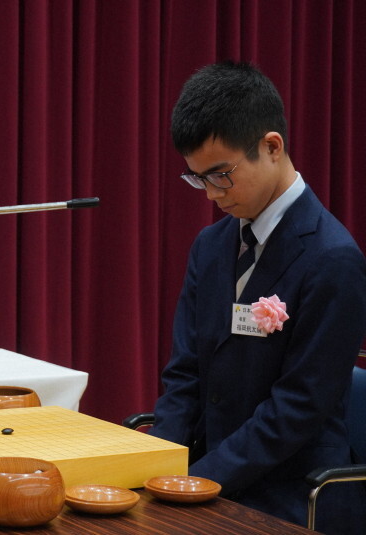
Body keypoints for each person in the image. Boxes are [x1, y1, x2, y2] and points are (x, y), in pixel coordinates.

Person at [149, 61, 366, 534]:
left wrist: (198, 480)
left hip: (293, 492)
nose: (209, 194)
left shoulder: (334, 259)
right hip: (208, 476)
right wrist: (155, 466)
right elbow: (184, 374)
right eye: (197, 178)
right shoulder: (210, 247)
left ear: (271, 146)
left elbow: (298, 408)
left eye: (220, 175)